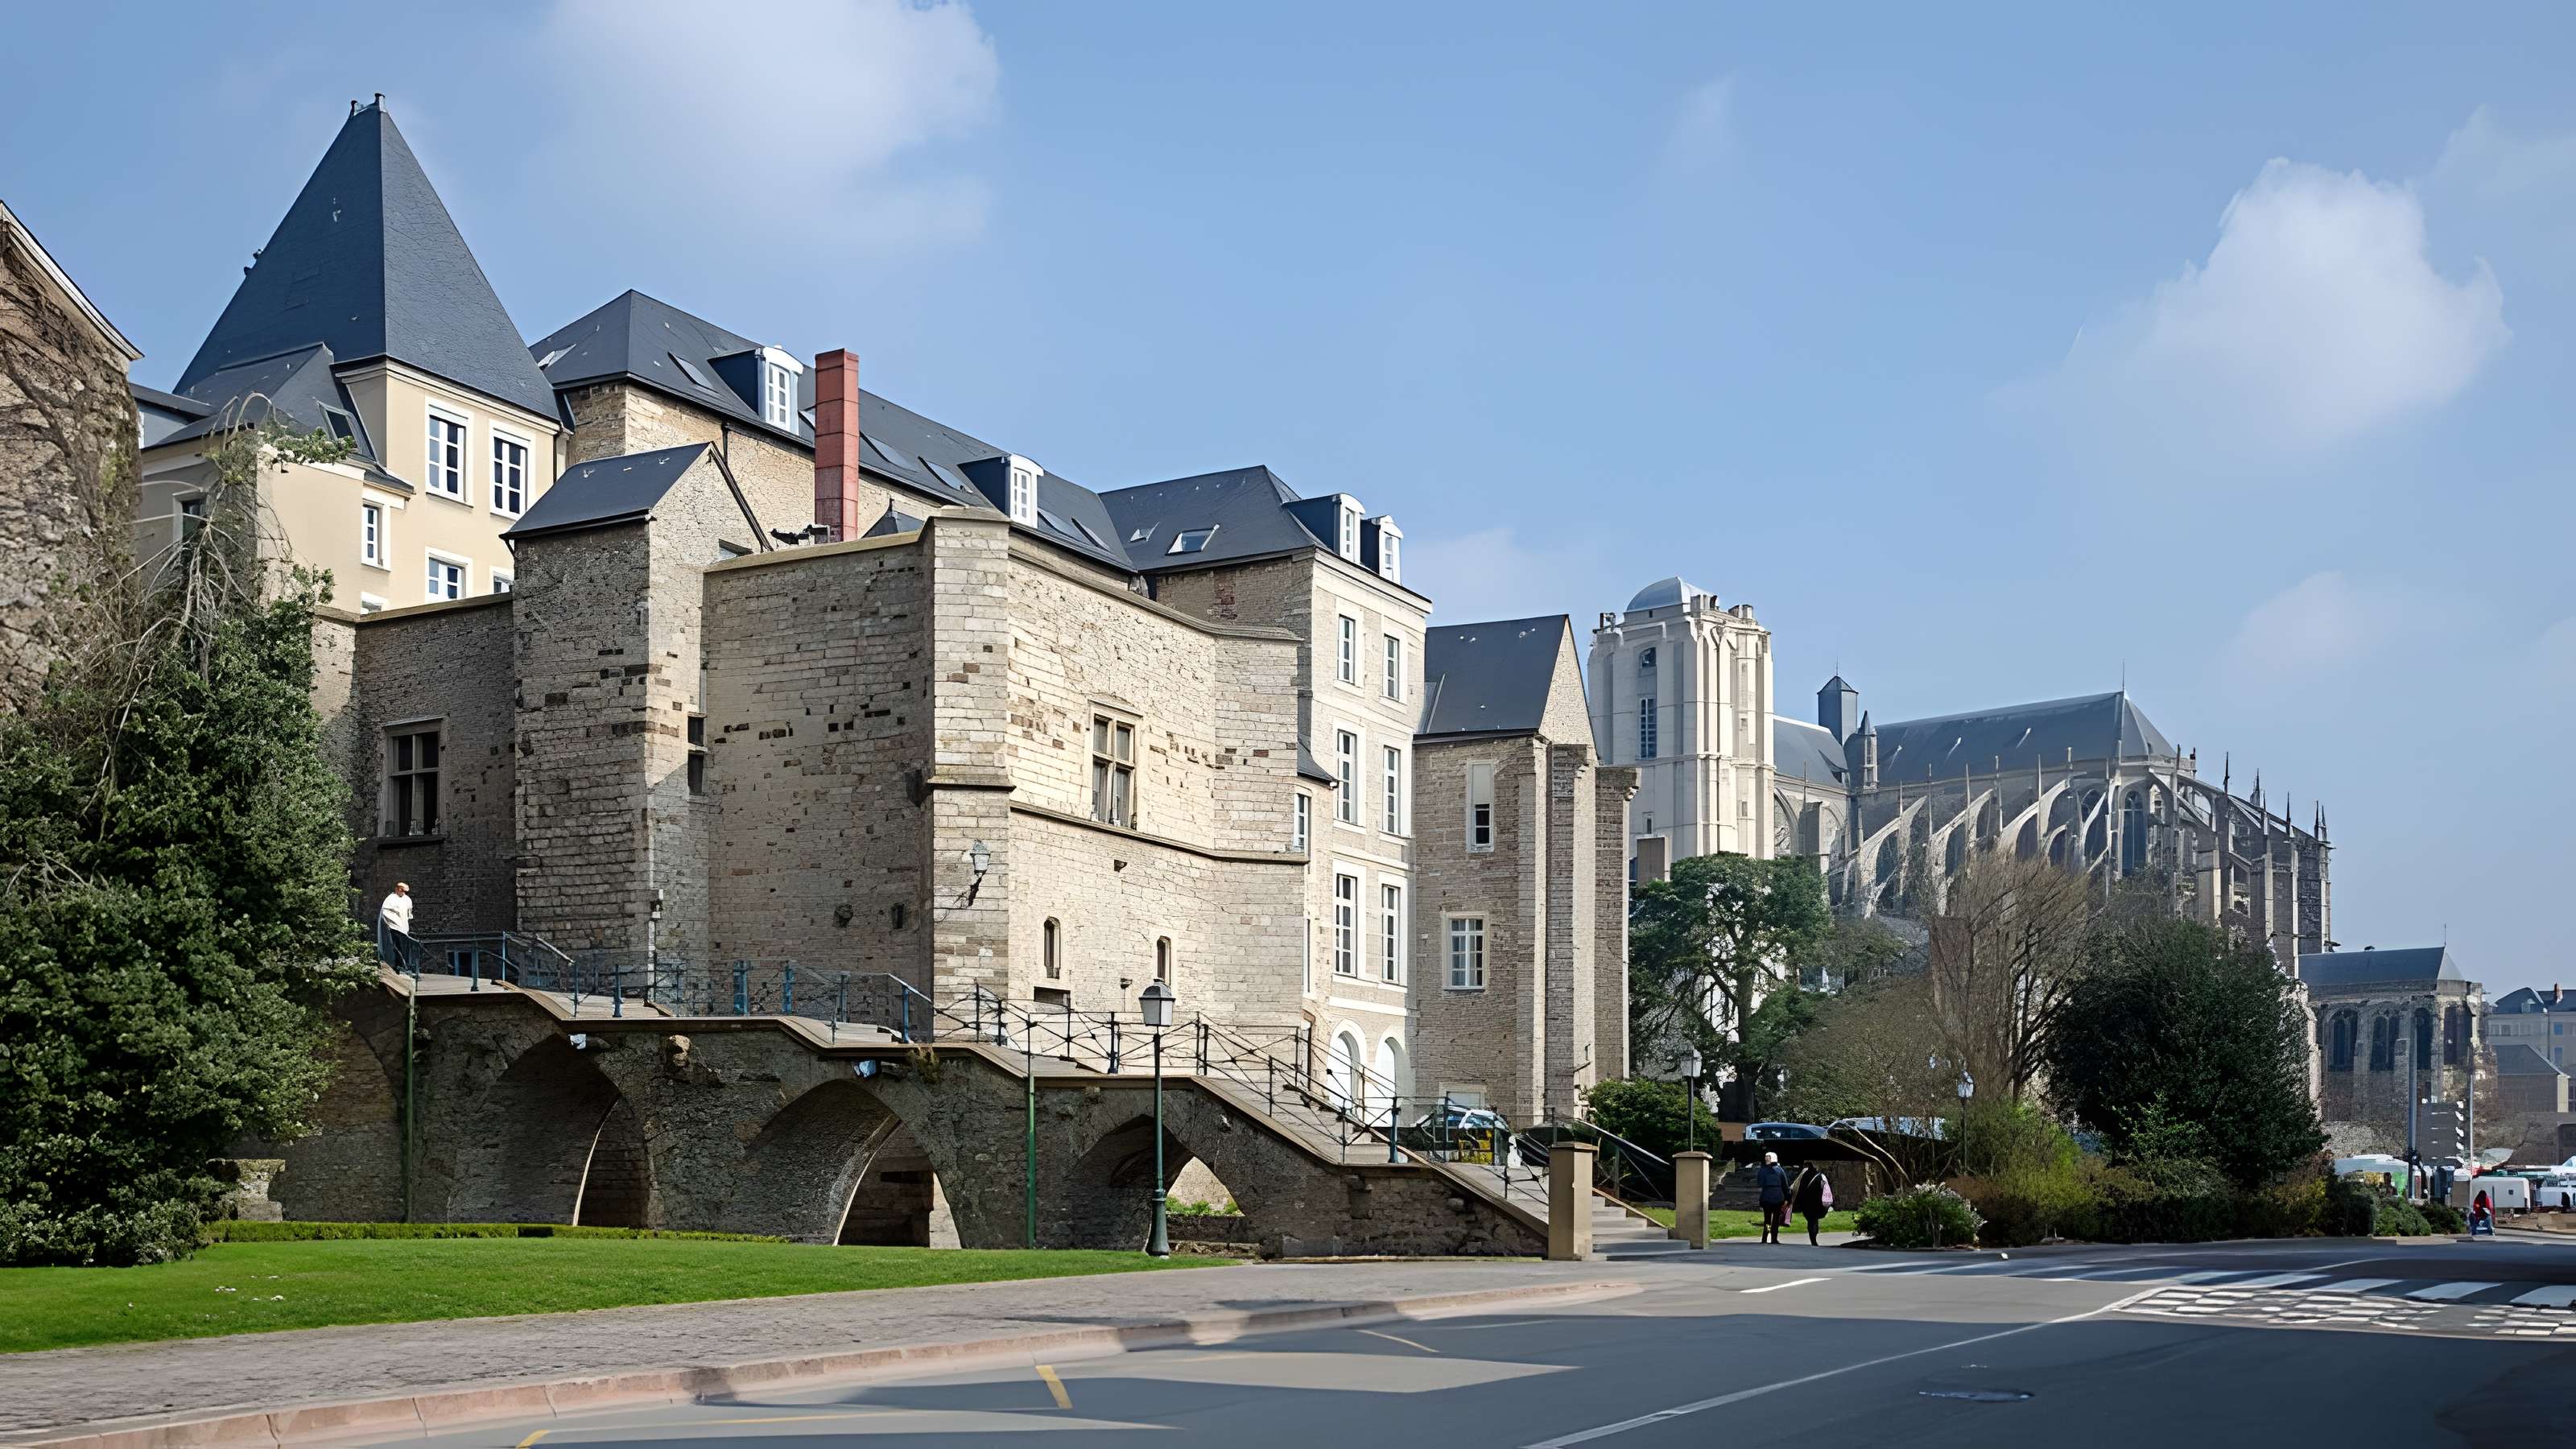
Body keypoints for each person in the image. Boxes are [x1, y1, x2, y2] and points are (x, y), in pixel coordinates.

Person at [1792, 1163, 1834, 1245]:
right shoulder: (1820, 1176)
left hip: (1806, 1203)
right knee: (1814, 1220)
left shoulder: (1804, 1175)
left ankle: (1813, 1238)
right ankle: (1814, 1237)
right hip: (1817, 1203)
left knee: (1811, 1221)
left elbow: (1799, 1188)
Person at [1755, 1152, 1790, 1245]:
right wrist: (1788, 1198)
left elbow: (1759, 1183)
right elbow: (1785, 1185)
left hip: (1766, 1198)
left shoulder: (1763, 1170)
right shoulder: (1780, 1170)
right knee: (1776, 1220)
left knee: (1767, 1220)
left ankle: (1765, 1237)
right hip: (1778, 1198)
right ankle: (1774, 1238)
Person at [378, 881, 415, 968]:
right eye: (401, 890)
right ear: (397, 889)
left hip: (403, 928)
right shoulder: (391, 899)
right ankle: (399, 965)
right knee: (396, 946)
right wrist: (394, 924)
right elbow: (386, 912)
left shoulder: (407, 899)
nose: (403, 893)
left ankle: (403, 965)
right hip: (393, 927)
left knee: (403, 947)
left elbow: (409, 913)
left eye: (405, 891)